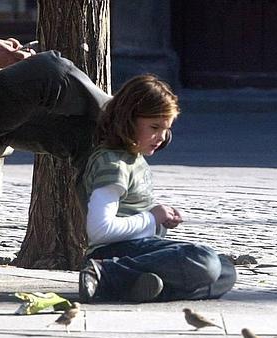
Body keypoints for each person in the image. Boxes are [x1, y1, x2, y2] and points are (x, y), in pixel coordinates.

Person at [78, 75, 237, 303]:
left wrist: (159, 222)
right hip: (113, 253)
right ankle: (104, 274)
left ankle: (135, 286)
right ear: (129, 120)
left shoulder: (133, 158)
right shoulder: (113, 164)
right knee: (203, 260)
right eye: (154, 127)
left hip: (137, 248)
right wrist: (152, 217)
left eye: (166, 129)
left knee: (225, 271)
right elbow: (100, 230)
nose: (162, 137)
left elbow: (133, 215)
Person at [0, 0, 111, 157]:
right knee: (50, 69)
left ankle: (117, 187)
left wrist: (1, 54)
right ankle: (123, 113)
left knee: (91, 134)